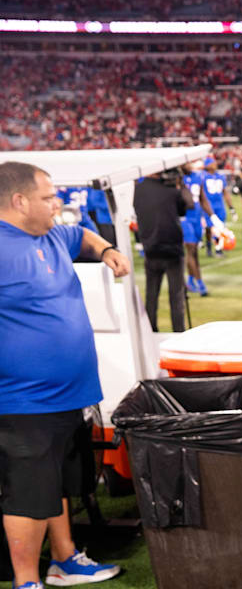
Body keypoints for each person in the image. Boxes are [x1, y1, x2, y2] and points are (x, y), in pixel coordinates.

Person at [0, 161, 128, 589]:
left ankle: (64, 559)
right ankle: (25, 581)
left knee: (57, 481)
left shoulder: (53, 234)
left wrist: (107, 250)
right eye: (47, 197)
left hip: (68, 393)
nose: (56, 205)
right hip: (23, 400)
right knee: (28, 493)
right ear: (19, 202)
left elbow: (85, 237)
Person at [132, 169, 194, 332]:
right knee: (176, 298)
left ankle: (150, 331)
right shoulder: (170, 190)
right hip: (172, 249)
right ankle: (179, 334)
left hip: (150, 248)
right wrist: (180, 185)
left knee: (151, 296)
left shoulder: (137, 190)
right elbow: (187, 206)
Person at [181, 163, 213, 296]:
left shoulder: (197, 177)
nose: (190, 165)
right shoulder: (177, 178)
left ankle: (190, 280)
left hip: (196, 218)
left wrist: (212, 216)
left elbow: (202, 198)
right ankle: (200, 284)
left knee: (194, 253)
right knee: (191, 248)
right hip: (184, 218)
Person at [200, 157, 233, 258]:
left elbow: (225, 192)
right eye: (212, 163)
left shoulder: (220, 176)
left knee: (220, 227)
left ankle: (218, 249)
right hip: (208, 205)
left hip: (220, 205)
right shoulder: (203, 176)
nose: (215, 164)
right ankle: (209, 248)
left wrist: (231, 207)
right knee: (209, 228)